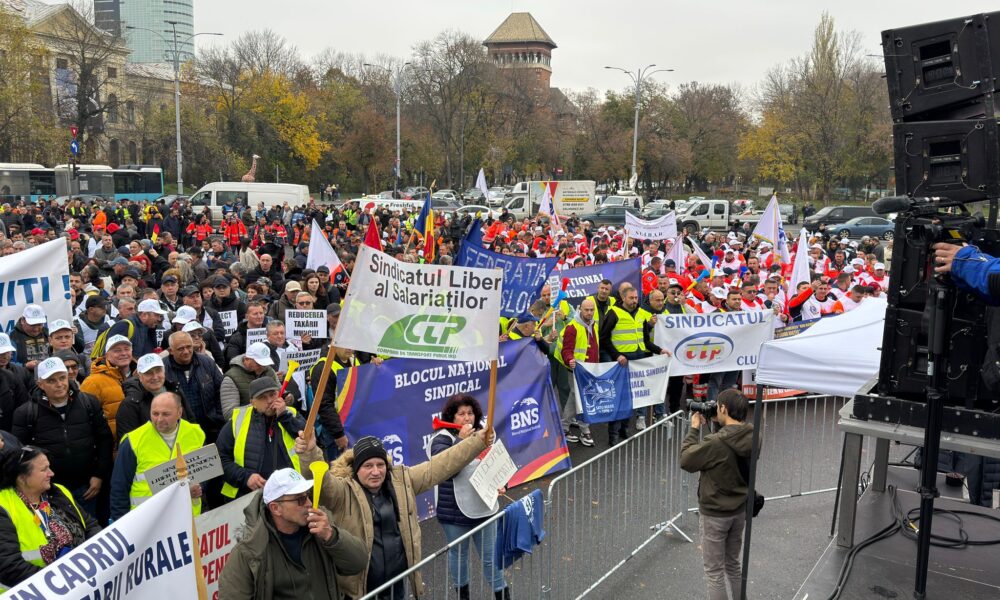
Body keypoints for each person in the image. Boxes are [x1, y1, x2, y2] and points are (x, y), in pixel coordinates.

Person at [294, 427, 491, 599]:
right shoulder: (342, 492)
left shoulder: (402, 480)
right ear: (355, 469)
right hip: (361, 591)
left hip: (397, 584)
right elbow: (321, 481)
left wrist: (477, 442)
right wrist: (310, 452)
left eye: (380, 465)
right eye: (368, 466)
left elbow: (439, 466)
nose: (376, 472)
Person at [217, 468, 368, 600]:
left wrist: (332, 536)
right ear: (276, 508)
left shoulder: (320, 528)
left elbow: (358, 563)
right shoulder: (249, 550)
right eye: (300, 499)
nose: (309, 503)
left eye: (307, 495)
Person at [11, 357, 113, 521]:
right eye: (51, 380)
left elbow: (104, 440)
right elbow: (20, 455)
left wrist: (99, 475)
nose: (59, 384)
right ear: (40, 384)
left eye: (62, 378)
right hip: (49, 492)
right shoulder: (25, 413)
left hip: (87, 487)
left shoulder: (88, 403)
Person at [431, 395, 509, 600]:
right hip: (455, 512)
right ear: (451, 416)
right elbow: (447, 470)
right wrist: (462, 442)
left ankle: (503, 595)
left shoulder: (486, 433)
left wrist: (503, 483)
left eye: (470, 413)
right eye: (461, 414)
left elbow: (496, 463)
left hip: (485, 507)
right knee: (459, 557)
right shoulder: (440, 440)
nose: (467, 418)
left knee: (491, 559)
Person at [679, 389, 754, 600]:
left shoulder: (716, 443)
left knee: (714, 573)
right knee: (733, 565)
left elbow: (686, 460)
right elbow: (730, 444)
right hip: (739, 509)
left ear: (723, 409)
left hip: (715, 514)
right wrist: (718, 423)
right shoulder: (752, 434)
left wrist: (694, 429)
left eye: (718, 405)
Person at [0, 445, 101, 589]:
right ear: (21, 477)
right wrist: (61, 582)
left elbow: (90, 526)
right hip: (36, 592)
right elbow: (9, 566)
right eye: (43, 470)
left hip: (79, 582)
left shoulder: (59, 491)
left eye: (49, 467)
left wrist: (95, 559)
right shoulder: (3, 506)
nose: (51, 473)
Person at [110, 391, 205, 521]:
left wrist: (200, 486)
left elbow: (205, 471)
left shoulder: (196, 434)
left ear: (179, 413)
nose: (159, 419)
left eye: (166, 414)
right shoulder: (133, 441)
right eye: (155, 414)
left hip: (186, 518)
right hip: (147, 522)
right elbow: (119, 487)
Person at [218, 378, 306, 500]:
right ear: (252, 402)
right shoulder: (237, 421)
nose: (270, 401)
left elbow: (308, 439)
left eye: (272, 394)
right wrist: (246, 477)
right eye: (262, 397)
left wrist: (284, 417)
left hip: (291, 489)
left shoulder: (291, 414)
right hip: (252, 495)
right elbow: (220, 460)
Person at [556, 297, 598, 447]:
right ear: (580, 310)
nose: (589, 312)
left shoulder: (593, 325)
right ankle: (584, 430)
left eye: (591, 310)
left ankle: (565, 427)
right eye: (586, 310)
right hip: (575, 369)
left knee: (576, 399)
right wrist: (570, 360)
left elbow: (593, 347)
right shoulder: (573, 327)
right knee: (581, 398)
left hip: (587, 370)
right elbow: (566, 349)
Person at [80, 334, 134, 440]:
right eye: (117, 350)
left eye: (126, 349)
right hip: (110, 447)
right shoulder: (93, 382)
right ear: (107, 355)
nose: (123, 353)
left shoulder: (141, 376)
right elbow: (83, 419)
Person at [221, 342, 281, 418]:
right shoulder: (231, 378)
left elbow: (280, 391)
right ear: (246, 359)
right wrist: (257, 405)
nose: (263, 367)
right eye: (259, 364)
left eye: (265, 363)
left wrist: (287, 397)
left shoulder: (269, 370)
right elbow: (229, 413)